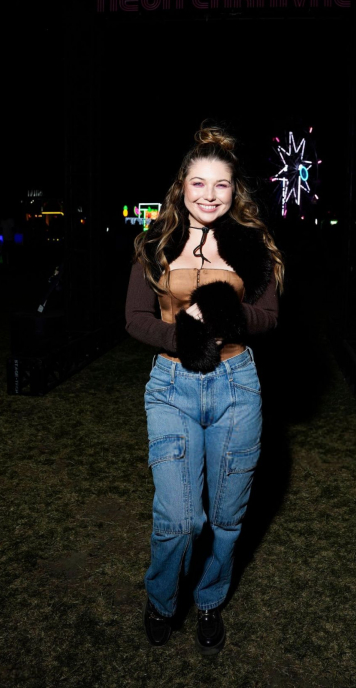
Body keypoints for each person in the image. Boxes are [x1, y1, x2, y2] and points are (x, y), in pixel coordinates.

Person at [125, 124, 284, 655]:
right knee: (180, 519)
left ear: (234, 190)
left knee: (227, 520)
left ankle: (210, 602)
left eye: (221, 184)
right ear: (182, 186)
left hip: (237, 386)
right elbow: (133, 319)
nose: (210, 195)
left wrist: (224, 313)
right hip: (172, 385)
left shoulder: (252, 244)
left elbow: (266, 316)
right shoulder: (155, 242)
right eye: (199, 183)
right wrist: (185, 334)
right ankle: (162, 600)